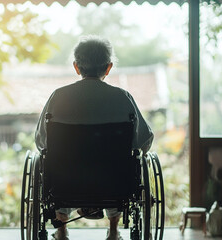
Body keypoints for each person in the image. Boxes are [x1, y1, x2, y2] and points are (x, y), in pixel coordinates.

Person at [35, 35, 154, 240]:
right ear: (108, 68)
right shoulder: (122, 98)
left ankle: (61, 231)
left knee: (57, 163)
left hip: (65, 182)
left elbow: (41, 142)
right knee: (122, 165)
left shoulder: (58, 97)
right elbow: (144, 140)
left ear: (76, 66)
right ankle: (115, 230)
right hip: (114, 182)